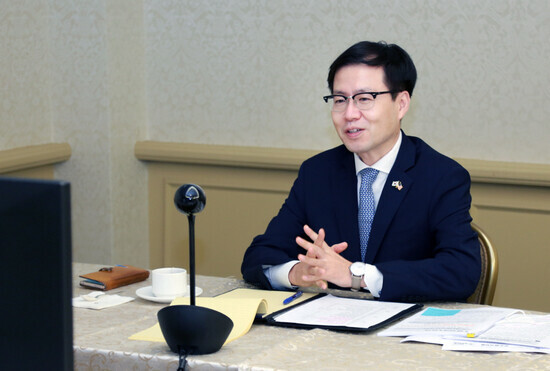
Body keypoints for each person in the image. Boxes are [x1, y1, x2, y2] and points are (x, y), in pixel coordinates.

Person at [241, 41, 481, 302]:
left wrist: (357, 275)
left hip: (404, 331)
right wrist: (295, 273)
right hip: (329, 328)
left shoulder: (441, 176)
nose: (350, 114)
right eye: (340, 100)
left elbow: (460, 271)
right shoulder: (317, 173)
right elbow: (259, 257)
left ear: (401, 104)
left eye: (364, 99)